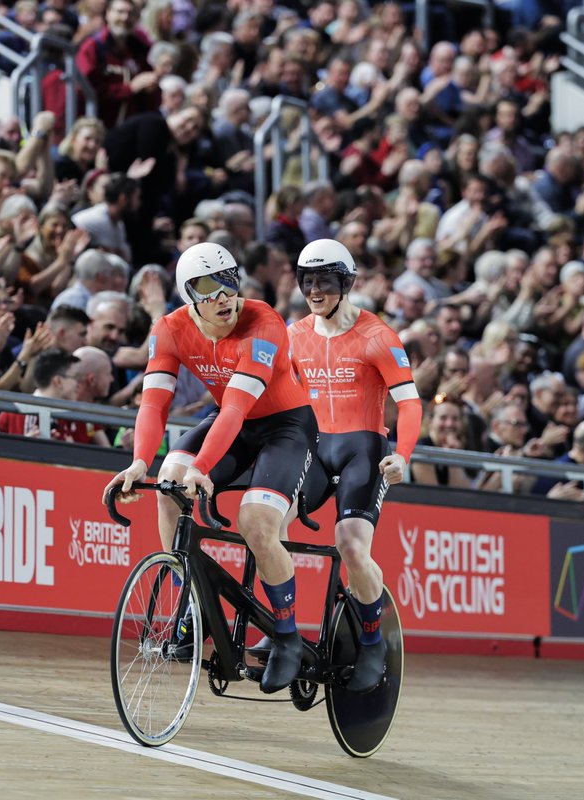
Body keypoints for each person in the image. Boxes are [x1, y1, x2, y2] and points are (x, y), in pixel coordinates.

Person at [103, 242, 317, 695]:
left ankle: (286, 635)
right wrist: (139, 461)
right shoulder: (169, 329)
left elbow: (238, 408)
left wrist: (203, 467)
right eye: (207, 287)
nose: (223, 296)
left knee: (256, 525)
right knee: (166, 484)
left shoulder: (264, 323)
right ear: (187, 295)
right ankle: (192, 602)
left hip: (283, 426)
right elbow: (154, 403)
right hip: (229, 422)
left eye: (229, 280)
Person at [285, 238, 422, 692]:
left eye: (324, 281)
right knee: (265, 520)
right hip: (316, 446)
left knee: (351, 546)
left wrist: (401, 454)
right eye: (308, 281)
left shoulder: (377, 336)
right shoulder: (295, 334)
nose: (315, 290)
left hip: (364, 448)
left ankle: (371, 641)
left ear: (345, 284)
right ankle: (283, 631)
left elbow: (410, 403)